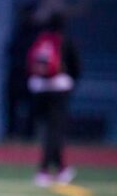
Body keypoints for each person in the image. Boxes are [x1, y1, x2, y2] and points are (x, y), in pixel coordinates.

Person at [28, 13, 81, 186]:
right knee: (55, 131)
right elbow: (76, 67)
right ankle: (43, 171)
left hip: (39, 89)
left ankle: (62, 169)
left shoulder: (41, 40)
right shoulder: (65, 41)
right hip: (58, 89)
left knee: (49, 131)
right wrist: (70, 82)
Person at [4, 3, 38, 139]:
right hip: (17, 75)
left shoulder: (38, 33)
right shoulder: (18, 31)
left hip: (31, 75)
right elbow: (10, 51)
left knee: (32, 108)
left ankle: (28, 135)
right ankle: (11, 134)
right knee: (13, 107)